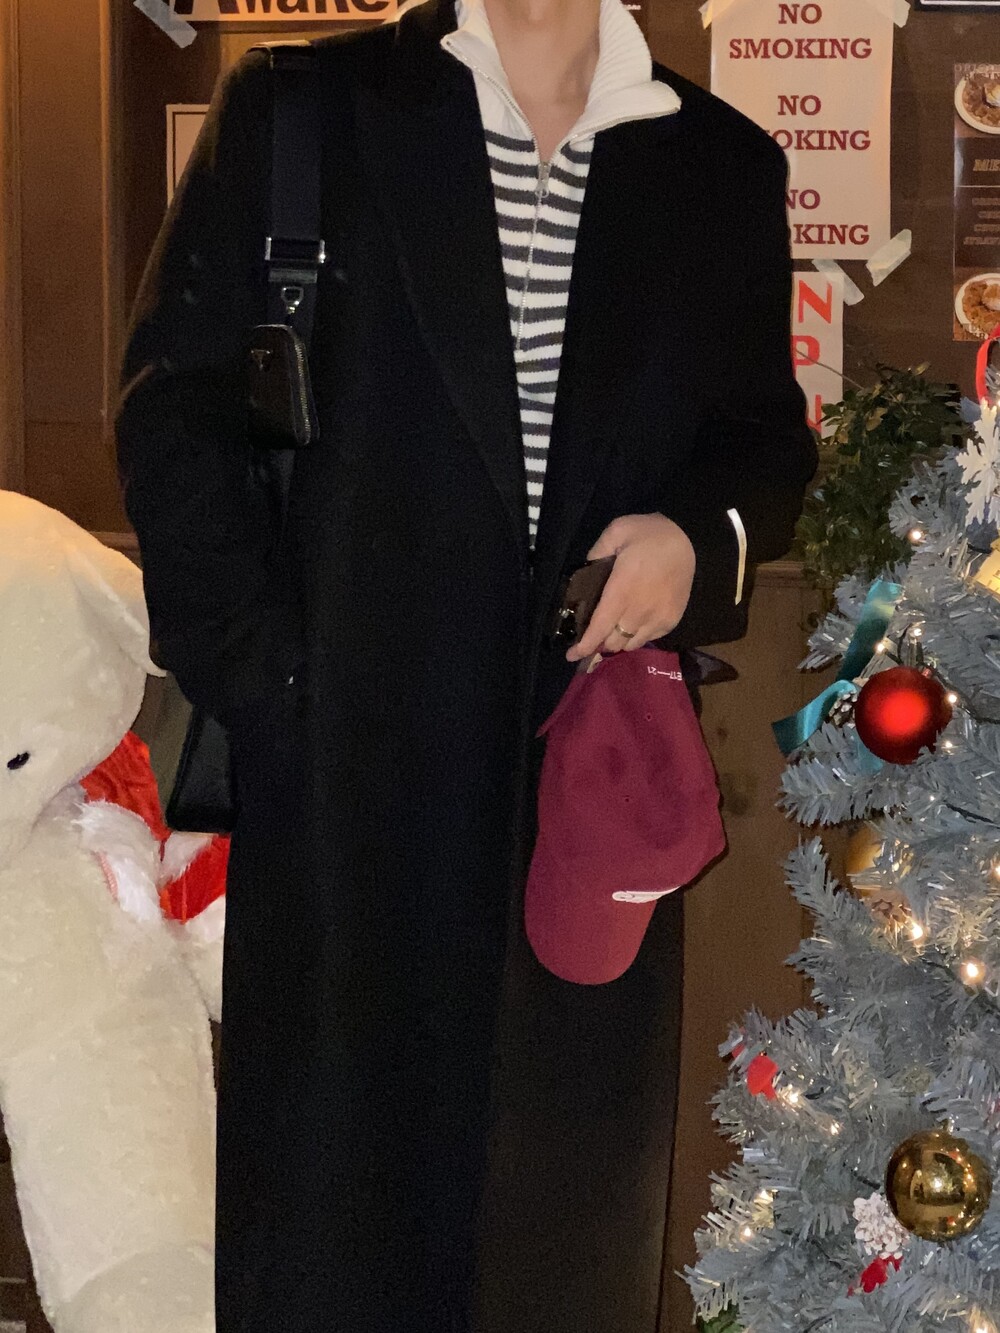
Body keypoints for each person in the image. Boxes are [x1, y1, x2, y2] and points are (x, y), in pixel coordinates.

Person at [116, 0, 816, 1326]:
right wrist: (277, 688)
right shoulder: (305, 113)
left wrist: (691, 540)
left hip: (588, 775)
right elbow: (175, 416)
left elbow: (762, 445)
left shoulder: (717, 162)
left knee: (561, 1231)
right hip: (348, 770)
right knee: (337, 1228)